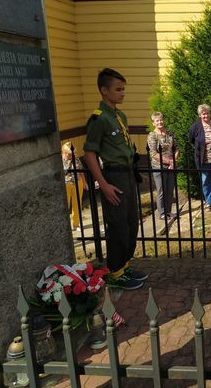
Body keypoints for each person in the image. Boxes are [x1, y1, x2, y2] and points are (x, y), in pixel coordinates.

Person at [83, 68, 147, 290]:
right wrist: (103, 184)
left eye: (124, 89)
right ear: (104, 90)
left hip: (128, 173)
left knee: (131, 222)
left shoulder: (120, 116)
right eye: (118, 89)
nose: (122, 94)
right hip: (114, 176)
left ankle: (124, 265)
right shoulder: (98, 119)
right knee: (118, 224)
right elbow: (89, 153)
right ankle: (115, 272)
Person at [188, 104, 211, 210]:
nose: (206, 116)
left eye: (207, 113)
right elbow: (191, 139)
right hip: (203, 159)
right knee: (205, 181)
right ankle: (208, 202)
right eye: (203, 114)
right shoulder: (195, 126)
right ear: (200, 115)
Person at [147, 112, 179, 222]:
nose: (160, 122)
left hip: (171, 166)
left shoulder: (170, 133)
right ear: (153, 123)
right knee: (161, 190)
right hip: (158, 167)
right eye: (157, 120)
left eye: (161, 120)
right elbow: (153, 154)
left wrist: (173, 161)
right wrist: (169, 162)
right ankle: (162, 213)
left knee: (170, 189)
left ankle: (169, 211)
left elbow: (176, 148)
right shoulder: (152, 135)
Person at [62, 141, 89, 231]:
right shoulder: (60, 160)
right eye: (70, 154)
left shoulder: (76, 158)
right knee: (66, 205)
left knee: (77, 204)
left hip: (78, 182)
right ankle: (65, 226)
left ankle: (76, 224)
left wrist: (85, 183)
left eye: (73, 153)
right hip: (66, 184)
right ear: (64, 153)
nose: (72, 155)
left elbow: (81, 170)